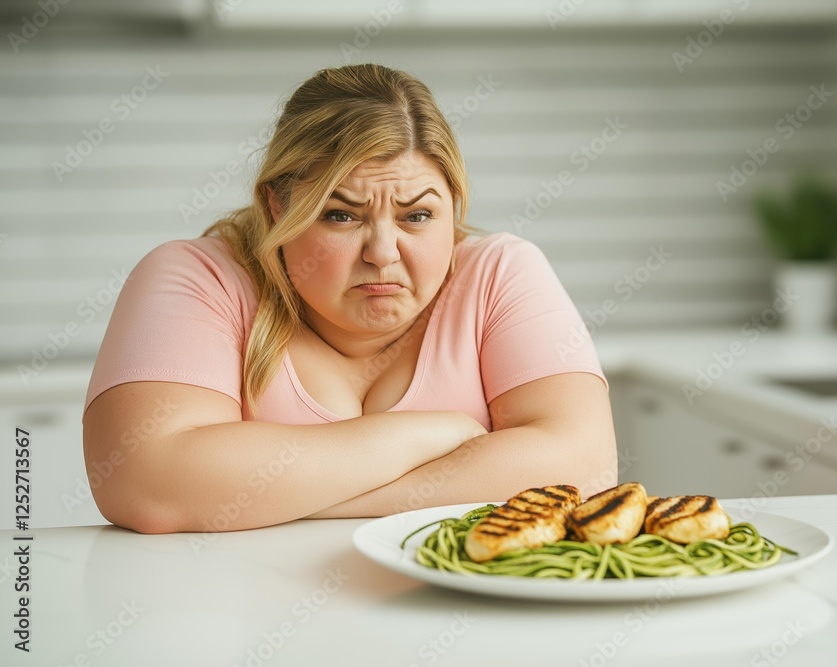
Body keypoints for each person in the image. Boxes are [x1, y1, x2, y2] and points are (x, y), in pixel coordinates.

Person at [82, 64, 616, 534]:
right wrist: (431, 435)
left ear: (452, 206)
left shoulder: (500, 273)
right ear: (276, 209)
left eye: (417, 215)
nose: (383, 253)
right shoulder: (199, 277)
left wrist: (286, 498)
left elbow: (585, 468)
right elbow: (145, 481)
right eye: (341, 215)